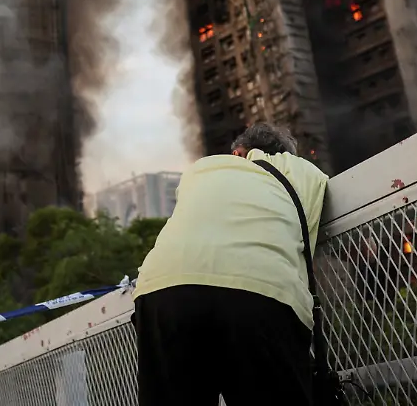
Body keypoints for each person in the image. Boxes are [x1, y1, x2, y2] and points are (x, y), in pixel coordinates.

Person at [131, 123, 330, 406]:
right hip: (260, 293)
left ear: (238, 152)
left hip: (162, 290)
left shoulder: (201, 171)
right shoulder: (307, 174)